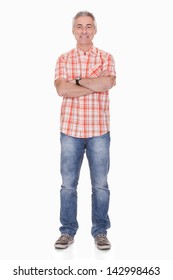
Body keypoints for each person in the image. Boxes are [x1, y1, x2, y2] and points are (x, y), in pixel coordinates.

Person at [54, 11, 116, 250]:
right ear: (73, 30)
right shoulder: (63, 59)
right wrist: (91, 83)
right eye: (79, 26)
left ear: (95, 30)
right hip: (70, 130)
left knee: (100, 185)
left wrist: (76, 82)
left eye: (88, 26)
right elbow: (61, 90)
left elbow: (107, 83)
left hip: (99, 130)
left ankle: (100, 231)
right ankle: (67, 231)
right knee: (68, 185)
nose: (84, 31)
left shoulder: (106, 57)